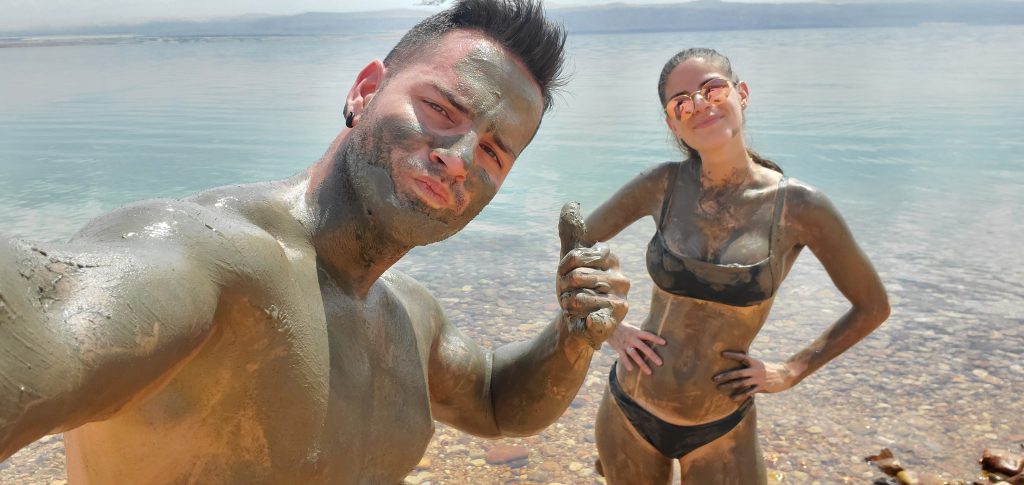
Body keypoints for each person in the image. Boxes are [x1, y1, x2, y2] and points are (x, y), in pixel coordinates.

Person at [0, 1, 632, 483]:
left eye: (494, 151)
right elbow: (48, 330)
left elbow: (496, 403)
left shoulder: (411, 317)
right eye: (442, 109)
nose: (460, 158)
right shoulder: (206, 256)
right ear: (365, 91)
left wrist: (572, 334)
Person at [582, 48, 890, 483]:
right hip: (628, 410)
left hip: (721, 426)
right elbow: (575, 243)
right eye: (681, 102)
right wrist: (609, 326)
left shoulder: (799, 207)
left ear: (741, 94)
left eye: (712, 89)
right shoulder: (661, 185)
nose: (699, 104)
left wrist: (792, 370)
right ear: (672, 123)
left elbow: (872, 306)